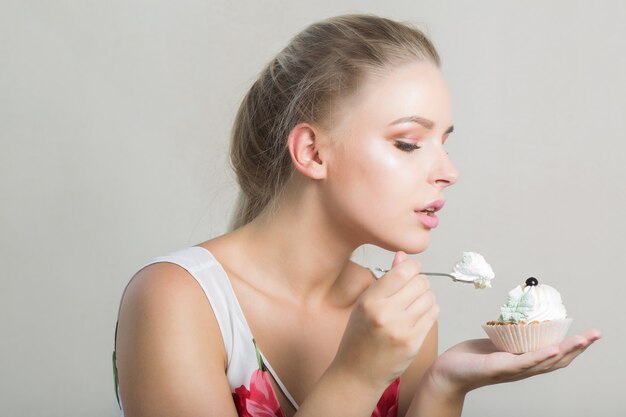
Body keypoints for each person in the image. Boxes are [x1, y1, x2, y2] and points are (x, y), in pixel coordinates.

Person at [113, 14, 601, 417]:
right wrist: (358, 373)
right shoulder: (176, 300)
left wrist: (445, 387)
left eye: (444, 143)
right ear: (312, 152)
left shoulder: (393, 314)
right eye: (408, 143)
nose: (449, 172)